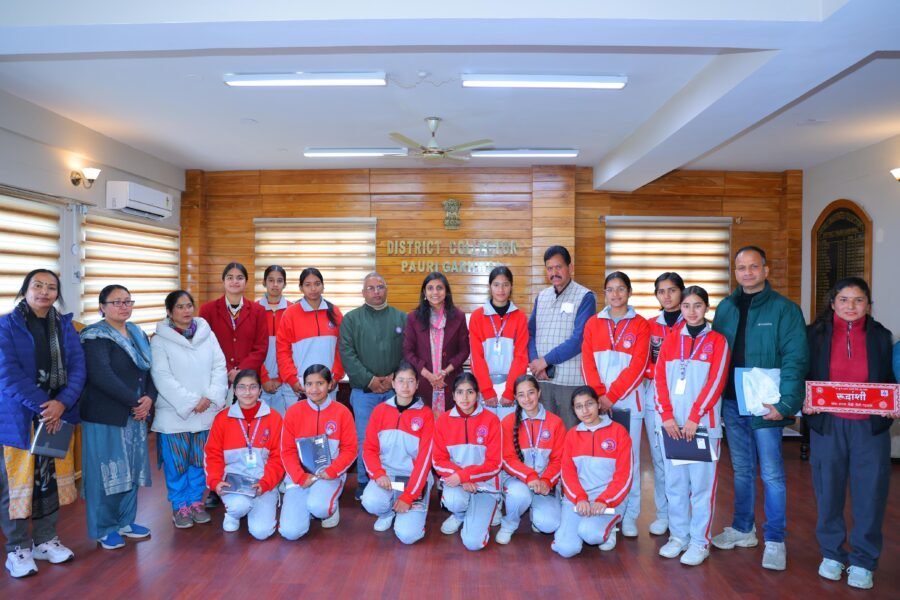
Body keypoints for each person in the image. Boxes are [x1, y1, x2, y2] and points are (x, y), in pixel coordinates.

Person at [711, 246, 809, 571]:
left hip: (767, 405)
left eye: (754, 267)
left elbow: (796, 359)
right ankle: (743, 529)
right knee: (741, 469)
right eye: (742, 268)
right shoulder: (725, 308)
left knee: (772, 473)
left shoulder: (785, 310)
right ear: (735, 272)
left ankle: (776, 540)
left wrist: (786, 404)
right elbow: (715, 355)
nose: (748, 273)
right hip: (731, 402)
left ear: (766, 270)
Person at [804, 278, 897, 590]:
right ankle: (831, 554)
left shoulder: (882, 336)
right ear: (833, 303)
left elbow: (890, 378)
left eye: (858, 300)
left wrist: (893, 402)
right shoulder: (813, 335)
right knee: (827, 491)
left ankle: (863, 560)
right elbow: (802, 373)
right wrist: (805, 399)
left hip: (869, 428)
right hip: (828, 425)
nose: (851, 306)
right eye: (844, 300)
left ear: (868, 305)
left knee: (870, 494)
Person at [0, 270, 85, 578]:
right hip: (20, 419)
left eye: (51, 287)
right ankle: (17, 548)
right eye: (38, 285)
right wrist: (44, 406)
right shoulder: (5, 326)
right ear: (25, 290)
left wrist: (62, 403)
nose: (44, 292)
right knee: (16, 487)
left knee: (50, 482)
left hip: (57, 417)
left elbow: (78, 368)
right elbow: (7, 373)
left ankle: (45, 540)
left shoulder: (64, 326)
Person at [654, 285, 729, 566]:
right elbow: (660, 381)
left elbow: (716, 382)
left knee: (701, 488)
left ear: (707, 308)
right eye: (686, 306)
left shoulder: (718, 341)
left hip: (702, 427)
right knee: (674, 485)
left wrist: (695, 417)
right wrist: (667, 416)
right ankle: (679, 537)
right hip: (673, 426)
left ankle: (700, 542)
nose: (692, 311)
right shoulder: (671, 340)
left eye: (698, 305)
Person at [80, 285, 155, 550]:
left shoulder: (137, 333)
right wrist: (136, 402)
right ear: (102, 307)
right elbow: (101, 375)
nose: (123, 307)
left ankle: (125, 521)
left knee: (131, 470)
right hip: (106, 414)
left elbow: (149, 371)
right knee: (107, 473)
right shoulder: (94, 336)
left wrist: (149, 398)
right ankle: (104, 528)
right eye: (116, 302)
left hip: (135, 414)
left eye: (127, 301)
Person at [581, 271, 649, 541]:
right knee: (602, 459)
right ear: (605, 293)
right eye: (610, 289)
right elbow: (587, 363)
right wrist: (599, 397)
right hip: (598, 404)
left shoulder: (641, 325)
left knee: (629, 460)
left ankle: (629, 515)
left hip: (628, 404)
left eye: (621, 289)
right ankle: (607, 512)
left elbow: (638, 366)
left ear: (629, 292)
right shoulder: (593, 323)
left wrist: (611, 397)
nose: (616, 294)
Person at [151, 290, 228, 529]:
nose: (186, 311)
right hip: (175, 413)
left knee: (199, 461)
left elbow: (219, 367)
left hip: (206, 411)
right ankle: (179, 506)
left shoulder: (207, 334)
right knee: (177, 464)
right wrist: (192, 401)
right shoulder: (160, 340)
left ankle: (196, 502)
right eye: (180, 307)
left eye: (189, 306)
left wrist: (211, 397)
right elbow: (162, 376)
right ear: (169, 311)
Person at [200, 262, 268, 509]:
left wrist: (241, 373)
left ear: (246, 282)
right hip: (217, 379)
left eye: (240, 277)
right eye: (230, 277)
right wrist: (225, 371)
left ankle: (250, 479)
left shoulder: (257, 310)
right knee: (219, 434)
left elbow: (261, 346)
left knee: (246, 433)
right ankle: (215, 486)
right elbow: (203, 344)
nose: (235, 281)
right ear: (223, 281)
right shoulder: (208, 310)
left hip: (247, 381)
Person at [340, 272, 406, 501]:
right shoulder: (351, 319)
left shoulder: (401, 318)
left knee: (394, 439)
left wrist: (394, 378)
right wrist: (370, 380)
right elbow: (347, 353)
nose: (376, 291)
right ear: (363, 292)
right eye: (371, 288)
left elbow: (409, 352)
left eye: (380, 287)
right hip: (364, 392)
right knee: (365, 438)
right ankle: (363, 481)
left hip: (395, 392)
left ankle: (395, 481)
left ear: (386, 290)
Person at [552, 386, 633, 558]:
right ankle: (577, 527)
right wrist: (580, 498)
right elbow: (567, 474)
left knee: (590, 533)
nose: (585, 410)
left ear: (598, 404)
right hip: (578, 498)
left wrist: (605, 500)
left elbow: (624, 476)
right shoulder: (571, 435)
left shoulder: (619, 432)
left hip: (608, 500)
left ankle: (608, 528)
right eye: (579, 406)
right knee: (566, 549)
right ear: (574, 410)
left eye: (589, 404)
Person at [279, 365, 357, 539]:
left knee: (319, 508)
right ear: (304, 386)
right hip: (299, 477)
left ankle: (327, 507)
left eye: (320, 383)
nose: (314, 389)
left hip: (328, 475)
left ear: (330, 385)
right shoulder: (293, 412)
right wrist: (299, 477)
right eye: (309, 384)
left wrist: (332, 471)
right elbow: (287, 451)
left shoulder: (342, 412)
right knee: (290, 532)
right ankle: (305, 506)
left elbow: (350, 449)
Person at [205, 370, 284, 540]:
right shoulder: (222, 418)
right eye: (241, 387)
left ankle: (255, 506)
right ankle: (234, 514)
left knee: (261, 533)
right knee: (239, 506)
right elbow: (213, 454)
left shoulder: (274, 418)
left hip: (263, 482)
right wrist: (215, 481)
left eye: (252, 387)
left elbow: (279, 457)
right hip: (233, 482)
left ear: (260, 390)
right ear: (234, 391)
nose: (247, 392)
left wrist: (266, 483)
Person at [360, 361, 434, 544]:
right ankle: (387, 513)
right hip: (387, 476)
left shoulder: (426, 415)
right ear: (393, 383)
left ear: (417, 384)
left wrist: (408, 496)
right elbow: (369, 449)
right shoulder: (380, 411)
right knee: (370, 501)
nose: (405, 386)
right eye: (401, 381)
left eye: (410, 381)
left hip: (413, 478)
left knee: (408, 536)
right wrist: (378, 474)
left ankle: (406, 509)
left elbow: (425, 461)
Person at [528, 245, 596, 429]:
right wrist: (536, 363)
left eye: (559, 267)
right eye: (550, 268)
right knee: (545, 434)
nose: (554, 273)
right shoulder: (542, 297)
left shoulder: (585, 296)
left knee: (569, 434)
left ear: (570, 267)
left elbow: (579, 339)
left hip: (570, 382)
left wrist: (546, 360)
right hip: (543, 380)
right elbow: (531, 332)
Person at [432, 373, 502, 551]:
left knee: (473, 543)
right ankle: (460, 514)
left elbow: (495, 463)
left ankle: (490, 507)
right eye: (460, 392)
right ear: (453, 395)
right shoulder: (443, 421)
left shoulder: (492, 420)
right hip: (457, 483)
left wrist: (465, 476)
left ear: (477, 394)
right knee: (454, 501)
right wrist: (462, 478)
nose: (465, 397)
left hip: (484, 485)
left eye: (470, 392)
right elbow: (438, 460)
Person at [496, 374, 565, 545]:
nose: (527, 399)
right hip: (517, 480)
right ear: (515, 397)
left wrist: (546, 481)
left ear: (539, 392)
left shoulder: (555, 422)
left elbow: (558, 460)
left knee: (550, 525)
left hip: (544, 482)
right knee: (520, 495)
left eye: (531, 393)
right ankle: (510, 523)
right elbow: (508, 459)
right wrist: (530, 476)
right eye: (521, 395)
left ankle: (536, 512)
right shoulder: (508, 422)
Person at [641, 272, 685, 537]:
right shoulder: (650, 325)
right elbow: (643, 361)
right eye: (661, 291)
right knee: (659, 460)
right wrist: (656, 373)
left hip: (684, 401)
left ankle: (683, 516)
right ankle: (663, 514)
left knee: (682, 460)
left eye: (672, 290)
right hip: (654, 399)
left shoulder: (692, 322)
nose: (667, 296)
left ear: (681, 291)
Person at [403, 272, 470, 418]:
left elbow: (464, 350)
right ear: (424, 292)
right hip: (423, 383)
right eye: (430, 288)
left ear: (446, 292)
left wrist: (445, 372)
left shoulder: (458, 316)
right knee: (423, 424)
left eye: (439, 288)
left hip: (451, 381)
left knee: (451, 425)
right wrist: (428, 375)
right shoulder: (413, 318)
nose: (435, 292)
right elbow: (408, 352)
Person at [469, 266, 529, 423]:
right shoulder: (477, 317)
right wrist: (486, 390)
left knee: (509, 431)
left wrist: (510, 390)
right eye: (496, 284)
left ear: (511, 287)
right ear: (490, 287)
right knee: (486, 431)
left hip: (511, 388)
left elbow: (521, 357)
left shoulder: (520, 317)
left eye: (505, 284)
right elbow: (476, 357)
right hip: (485, 387)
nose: (501, 290)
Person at [276, 267, 344, 405]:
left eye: (317, 284)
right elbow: (283, 351)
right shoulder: (290, 314)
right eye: (308, 285)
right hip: (299, 387)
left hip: (328, 385)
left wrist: (336, 376)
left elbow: (342, 349)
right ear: (301, 288)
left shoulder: (335, 312)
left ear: (323, 286)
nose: (313, 288)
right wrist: (292, 380)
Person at [258, 265, 293, 416]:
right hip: (259, 381)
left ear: (284, 284)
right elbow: (251, 349)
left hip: (286, 382)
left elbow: (294, 350)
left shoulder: (292, 310)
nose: (275, 284)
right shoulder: (254, 309)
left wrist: (281, 378)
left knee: (284, 424)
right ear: (264, 282)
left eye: (279, 281)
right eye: (271, 280)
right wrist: (264, 378)